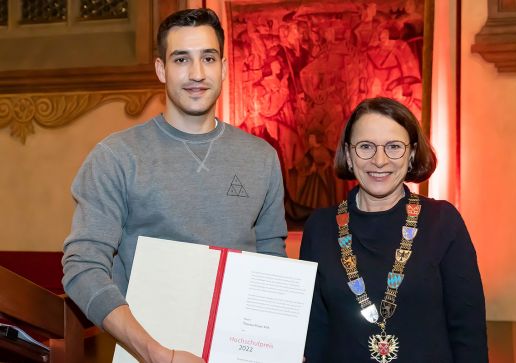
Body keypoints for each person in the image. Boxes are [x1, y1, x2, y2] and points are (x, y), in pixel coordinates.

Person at [62, 8, 287, 363]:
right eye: (181, 59)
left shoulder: (262, 158)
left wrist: (280, 343)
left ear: (224, 68)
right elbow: (83, 268)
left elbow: (272, 261)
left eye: (208, 58)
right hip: (145, 354)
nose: (197, 73)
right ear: (161, 69)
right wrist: (154, 354)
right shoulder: (116, 157)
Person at [299, 97, 487, 362]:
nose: (379, 160)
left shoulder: (444, 222)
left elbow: (468, 334)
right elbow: (314, 333)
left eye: (394, 147)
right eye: (365, 146)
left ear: (411, 154)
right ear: (349, 155)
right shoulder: (320, 227)